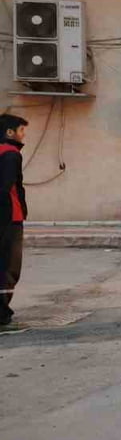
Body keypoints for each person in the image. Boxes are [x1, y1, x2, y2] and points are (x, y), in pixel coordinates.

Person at [0, 114, 29, 334]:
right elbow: (7, 187)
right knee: (10, 267)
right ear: (10, 132)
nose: (23, 134)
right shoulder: (10, 155)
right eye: (21, 130)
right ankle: (2, 315)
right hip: (9, 219)